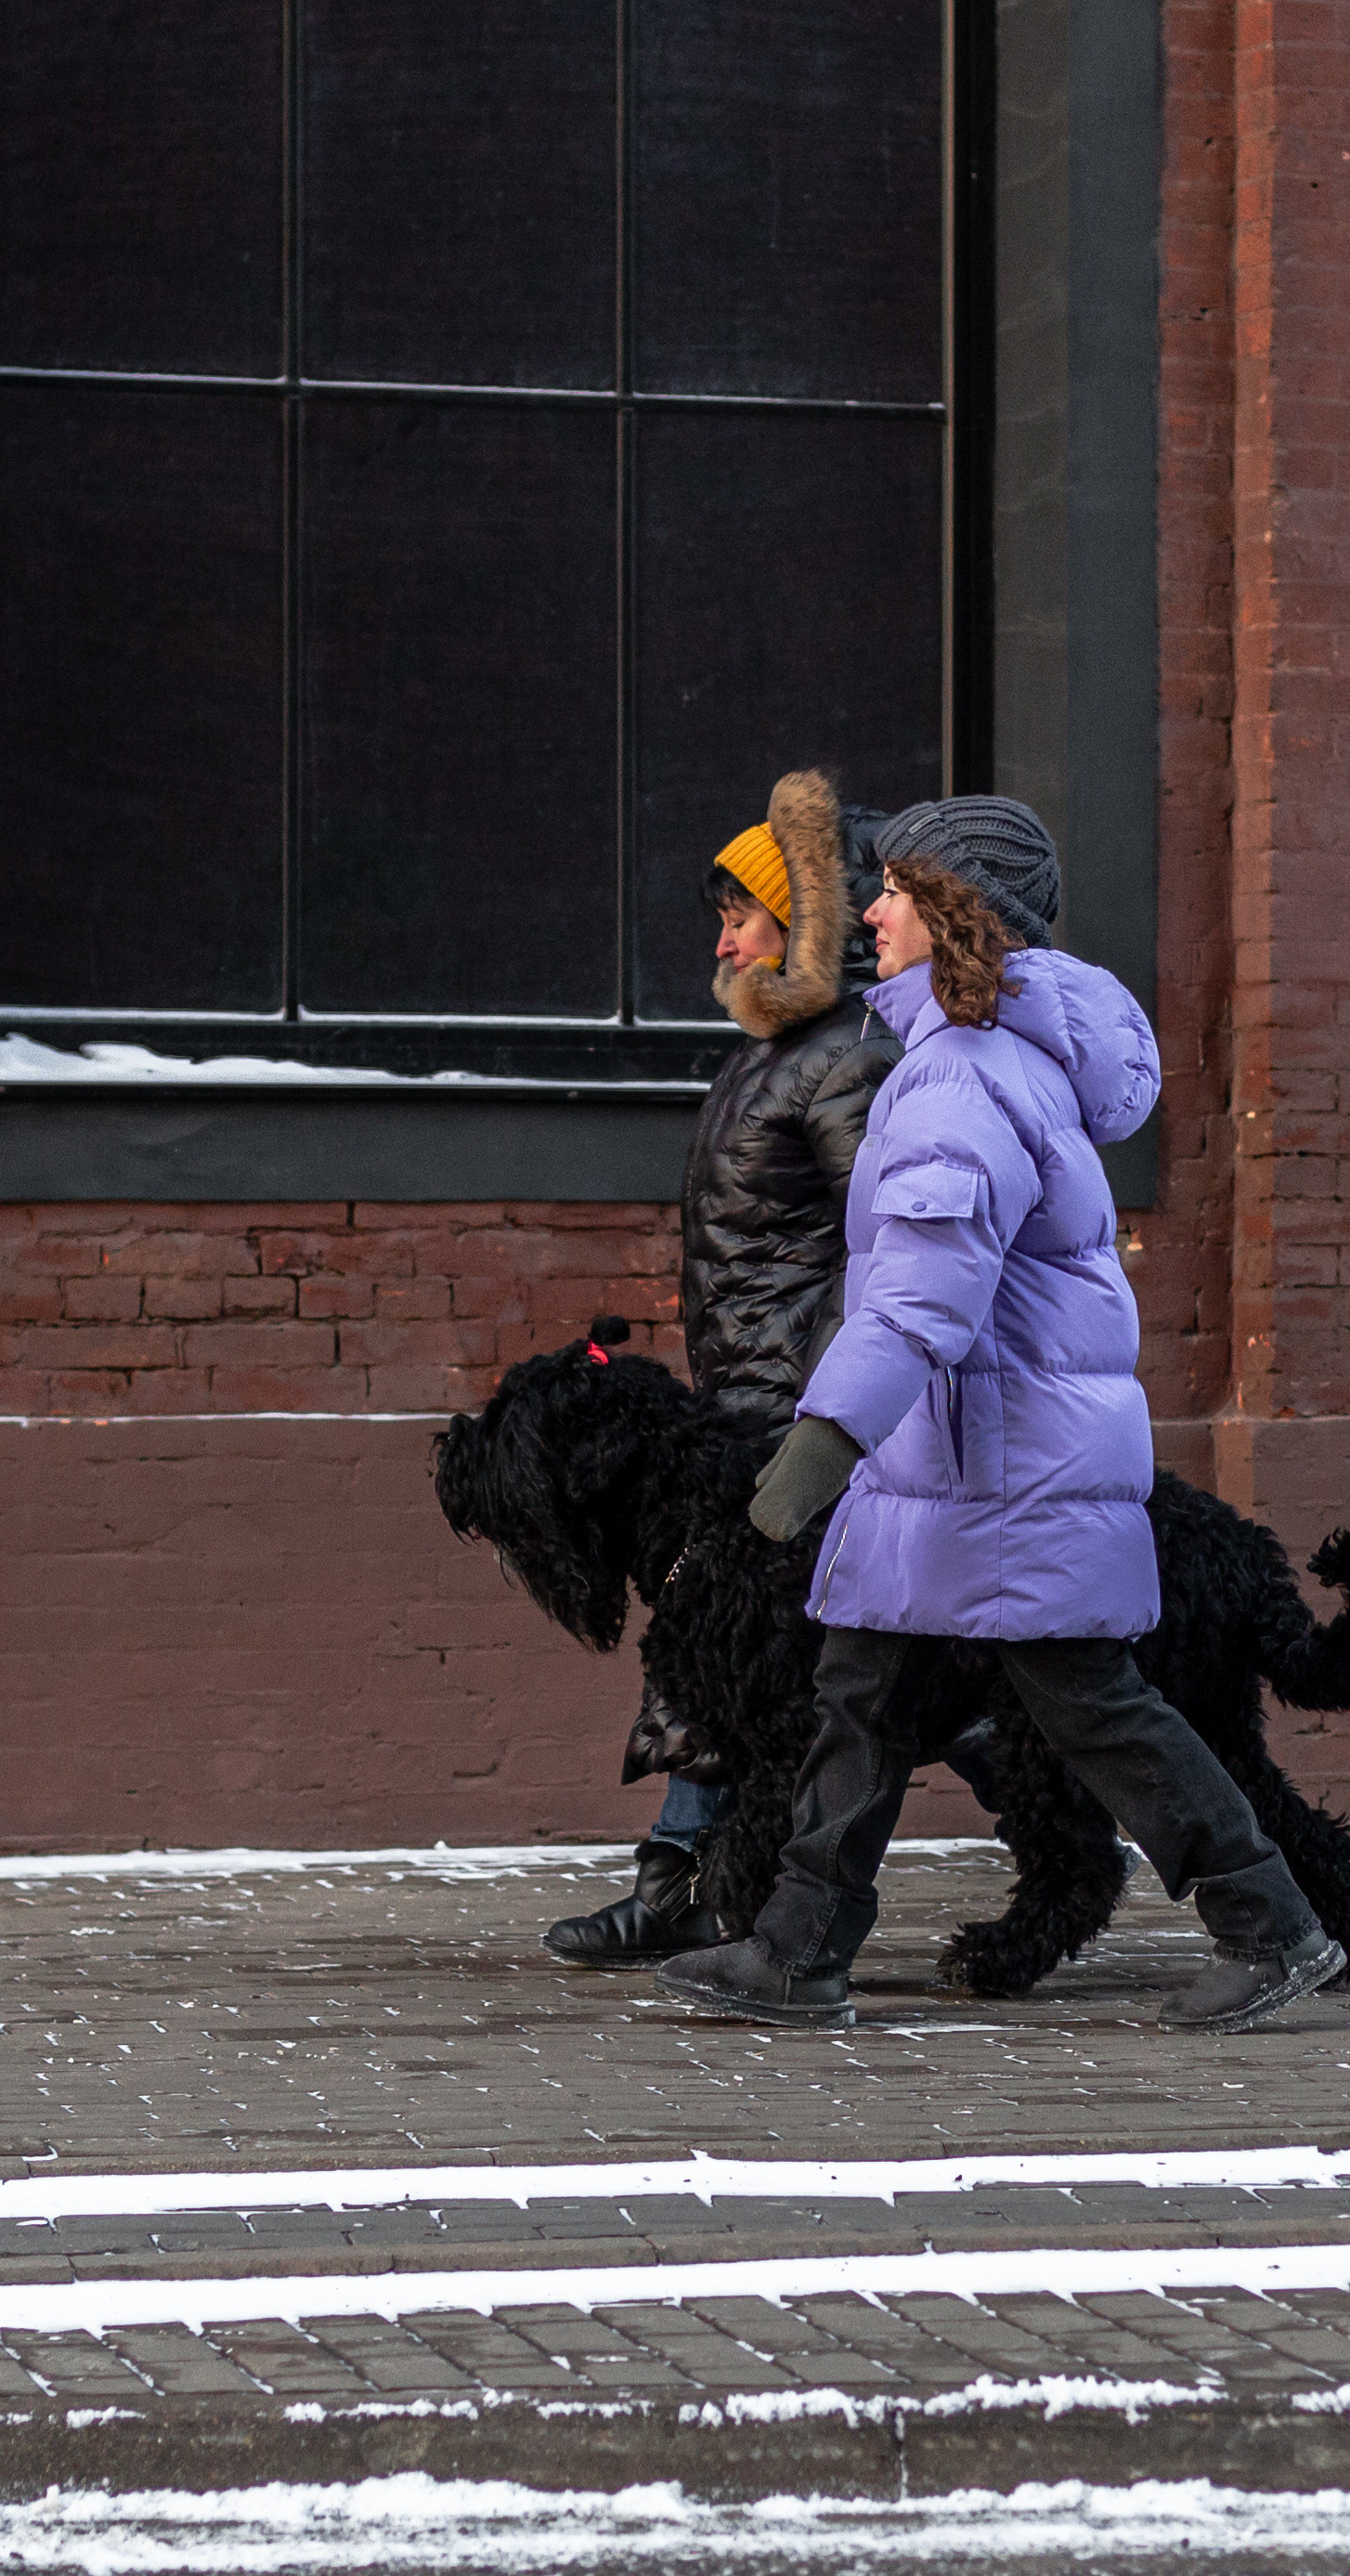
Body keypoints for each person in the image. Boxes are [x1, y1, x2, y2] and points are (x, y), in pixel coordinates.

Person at [655, 796, 1344, 2038]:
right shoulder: (981, 1060)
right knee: (859, 1689)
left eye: (894, 891)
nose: (867, 911)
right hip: (959, 1460)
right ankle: (800, 1948)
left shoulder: (963, 1079)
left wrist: (824, 1439)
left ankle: (1273, 1924)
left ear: (956, 910)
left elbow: (926, 1288)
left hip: (996, 1466)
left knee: (1090, 1703)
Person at [546, 771, 994, 1969]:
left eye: (743, 913)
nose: (723, 935)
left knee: (807, 1663)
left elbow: (887, 1247)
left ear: (805, 925)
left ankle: (694, 1884)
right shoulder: (770, 1051)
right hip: (744, 1408)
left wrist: (826, 1411)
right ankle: (689, 1879)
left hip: (798, 1421)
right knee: (768, 1657)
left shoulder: (846, 1056)